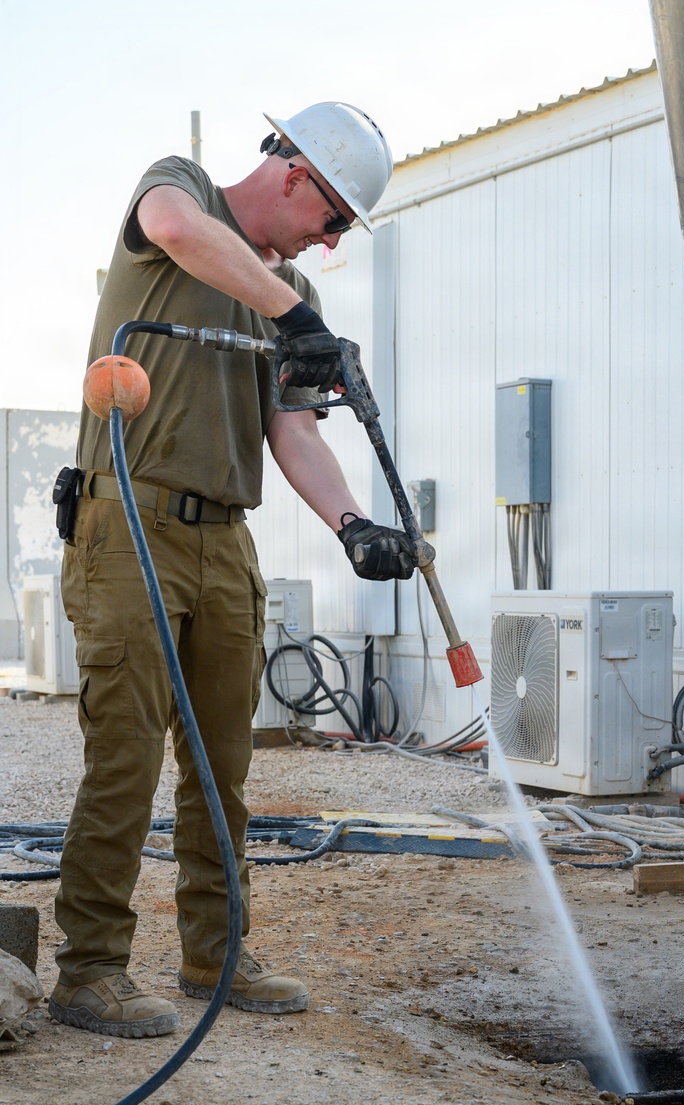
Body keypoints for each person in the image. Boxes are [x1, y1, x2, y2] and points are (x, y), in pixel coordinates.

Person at [50, 104, 414, 1040]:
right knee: (126, 755)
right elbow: (175, 227)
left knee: (223, 764)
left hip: (224, 539)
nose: (329, 243)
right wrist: (290, 313)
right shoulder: (179, 191)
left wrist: (353, 525)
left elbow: (292, 432)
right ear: (294, 174)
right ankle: (90, 970)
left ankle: (216, 953)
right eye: (332, 218)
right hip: (128, 521)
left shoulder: (294, 293)